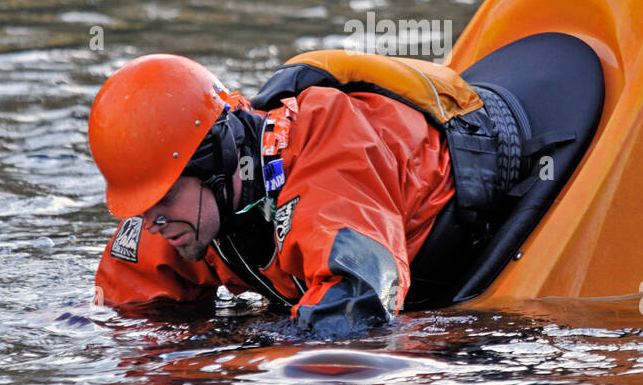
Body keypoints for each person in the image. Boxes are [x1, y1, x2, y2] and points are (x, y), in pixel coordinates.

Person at [89, 51, 535, 339]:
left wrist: (254, 358)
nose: (150, 223)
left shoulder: (326, 160)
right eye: (141, 209)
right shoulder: (178, 212)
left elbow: (360, 302)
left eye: (162, 202)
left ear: (220, 163)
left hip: (482, 195)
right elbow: (122, 305)